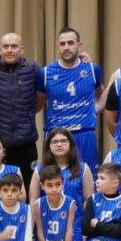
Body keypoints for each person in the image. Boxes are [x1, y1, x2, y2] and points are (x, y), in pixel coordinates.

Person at [0, 33, 45, 174]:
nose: (9, 50)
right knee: (2, 186)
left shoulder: (32, 69)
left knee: (29, 185)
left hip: (27, 144)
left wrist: (81, 59)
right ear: (0, 49)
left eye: (14, 46)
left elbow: (50, 80)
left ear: (22, 49)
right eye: (6, 46)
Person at [41, 28, 102, 172]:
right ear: (57, 46)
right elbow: (38, 104)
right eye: (62, 44)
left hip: (84, 133)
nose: (66, 47)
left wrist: (93, 111)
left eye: (70, 43)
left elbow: (102, 95)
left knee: (87, 176)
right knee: (53, 179)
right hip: (56, 135)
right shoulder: (45, 72)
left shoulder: (92, 69)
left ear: (79, 46)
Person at [32, 165, 79, 241]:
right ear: (42, 186)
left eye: (58, 184)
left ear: (63, 184)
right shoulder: (37, 205)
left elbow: (69, 230)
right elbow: (40, 232)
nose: (54, 189)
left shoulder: (70, 202)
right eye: (49, 185)